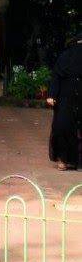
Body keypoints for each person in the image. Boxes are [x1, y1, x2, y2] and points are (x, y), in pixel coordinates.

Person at [47, 34, 82, 171]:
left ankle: (71, 160)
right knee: (63, 126)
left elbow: (55, 76)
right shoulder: (65, 57)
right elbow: (57, 76)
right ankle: (63, 159)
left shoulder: (66, 55)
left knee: (65, 127)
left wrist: (52, 95)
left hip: (70, 97)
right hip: (65, 98)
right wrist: (52, 95)